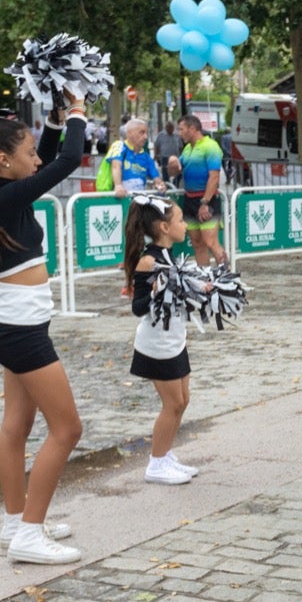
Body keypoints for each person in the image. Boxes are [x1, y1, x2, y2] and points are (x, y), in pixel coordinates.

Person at [0, 99, 88, 565]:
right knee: (67, 428)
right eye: (28, 153)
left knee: (18, 426)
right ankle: (30, 533)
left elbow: (44, 158)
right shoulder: (5, 199)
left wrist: (51, 119)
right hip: (21, 330)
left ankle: (16, 523)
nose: (37, 160)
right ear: (4, 161)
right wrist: (77, 111)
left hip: (12, 324)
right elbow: (68, 161)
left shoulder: (0, 189)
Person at [122, 195, 200, 486]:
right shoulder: (148, 261)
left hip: (175, 338)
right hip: (156, 343)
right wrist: (156, 291)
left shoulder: (169, 257)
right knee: (172, 404)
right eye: (180, 220)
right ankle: (155, 464)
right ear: (165, 227)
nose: (184, 224)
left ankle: (164, 453)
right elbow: (138, 307)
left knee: (183, 400)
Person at [174, 115, 226, 266]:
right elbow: (176, 170)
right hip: (189, 200)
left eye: (181, 129)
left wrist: (205, 202)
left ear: (192, 129)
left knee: (211, 243)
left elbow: (214, 177)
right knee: (197, 243)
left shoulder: (211, 146)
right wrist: (172, 164)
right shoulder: (188, 149)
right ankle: (205, 278)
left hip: (206, 200)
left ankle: (228, 278)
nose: (179, 133)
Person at [105, 119, 161, 195]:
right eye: (142, 133)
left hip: (138, 201)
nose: (145, 137)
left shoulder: (146, 156)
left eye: (146, 133)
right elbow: (116, 166)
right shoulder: (119, 146)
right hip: (119, 199)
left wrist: (160, 185)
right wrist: (118, 185)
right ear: (129, 133)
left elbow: (156, 177)